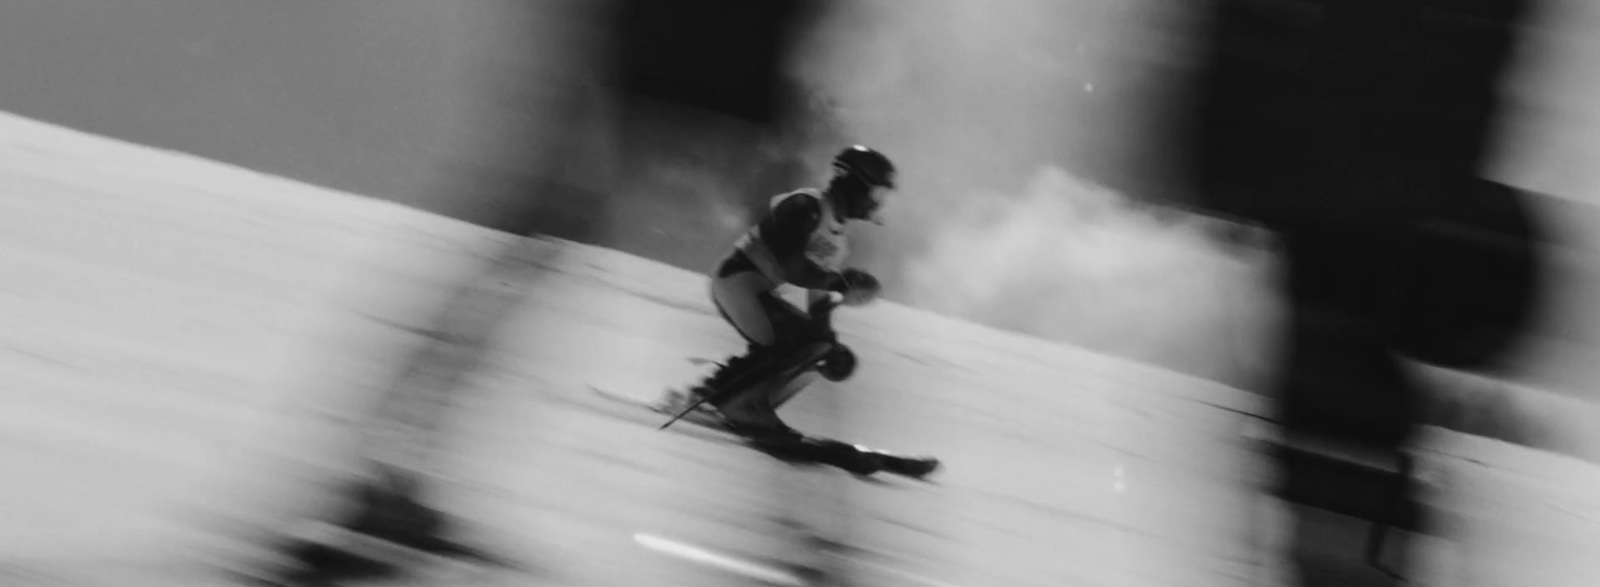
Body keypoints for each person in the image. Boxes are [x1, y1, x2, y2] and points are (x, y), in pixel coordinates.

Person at [656, 145, 897, 435]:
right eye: (877, 194)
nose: (876, 204)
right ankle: (729, 402)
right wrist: (840, 283)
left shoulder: (837, 242)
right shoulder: (805, 206)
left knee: (817, 349)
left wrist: (834, 350)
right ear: (855, 184)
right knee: (803, 341)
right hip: (736, 283)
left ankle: (735, 401)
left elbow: (818, 306)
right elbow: (790, 267)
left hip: (754, 292)